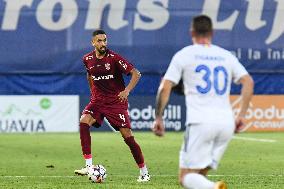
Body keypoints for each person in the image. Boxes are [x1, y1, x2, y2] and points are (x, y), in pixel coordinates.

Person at [152, 15, 254, 189]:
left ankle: (215, 188)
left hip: (200, 122)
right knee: (199, 176)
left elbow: (165, 87)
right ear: (212, 32)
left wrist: (159, 117)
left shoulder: (184, 55)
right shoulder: (225, 55)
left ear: (191, 32)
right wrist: (241, 116)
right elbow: (248, 82)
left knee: (186, 177)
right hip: (226, 124)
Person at [74, 29, 150, 182]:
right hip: (98, 101)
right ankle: (88, 166)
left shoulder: (114, 58)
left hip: (115, 103)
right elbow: (89, 74)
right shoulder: (87, 58)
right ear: (93, 43)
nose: (103, 43)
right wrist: (93, 92)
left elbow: (136, 73)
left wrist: (127, 90)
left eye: (105, 40)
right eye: (99, 41)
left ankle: (144, 172)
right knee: (83, 122)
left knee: (127, 137)